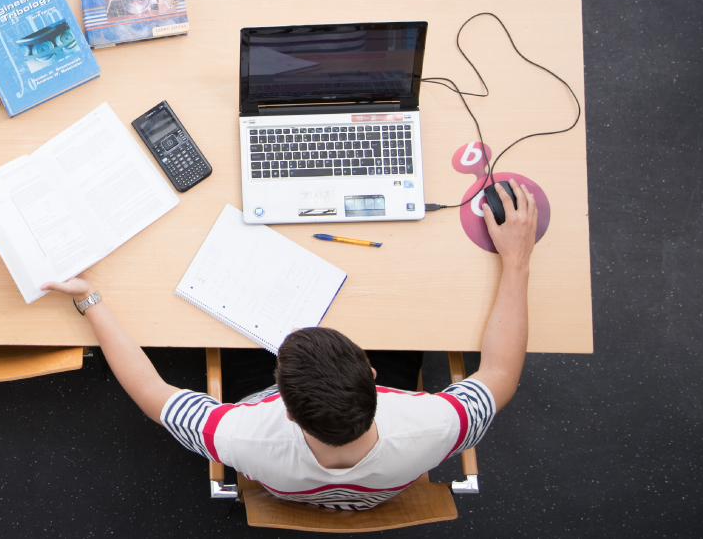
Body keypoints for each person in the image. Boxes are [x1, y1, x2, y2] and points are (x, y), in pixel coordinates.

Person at [43, 184, 538, 510]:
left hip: (288, 478)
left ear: (284, 405)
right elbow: (499, 375)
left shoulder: (241, 435)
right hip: (384, 482)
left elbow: (152, 393)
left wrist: (89, 298)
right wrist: (516, 261)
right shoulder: (434, 426)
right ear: (371, 375)